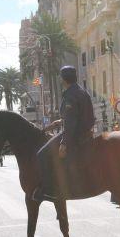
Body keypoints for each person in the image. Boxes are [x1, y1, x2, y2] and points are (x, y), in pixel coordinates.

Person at [33, 66, 95, 202]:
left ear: (63, 79)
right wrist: (59, 121)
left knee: (41, 155)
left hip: (74, 134)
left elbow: (71, 122)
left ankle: (48, 190)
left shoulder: (70, 94)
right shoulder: (82, 92)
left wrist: (64, 143)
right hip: (84, 131)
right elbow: (77, 116)